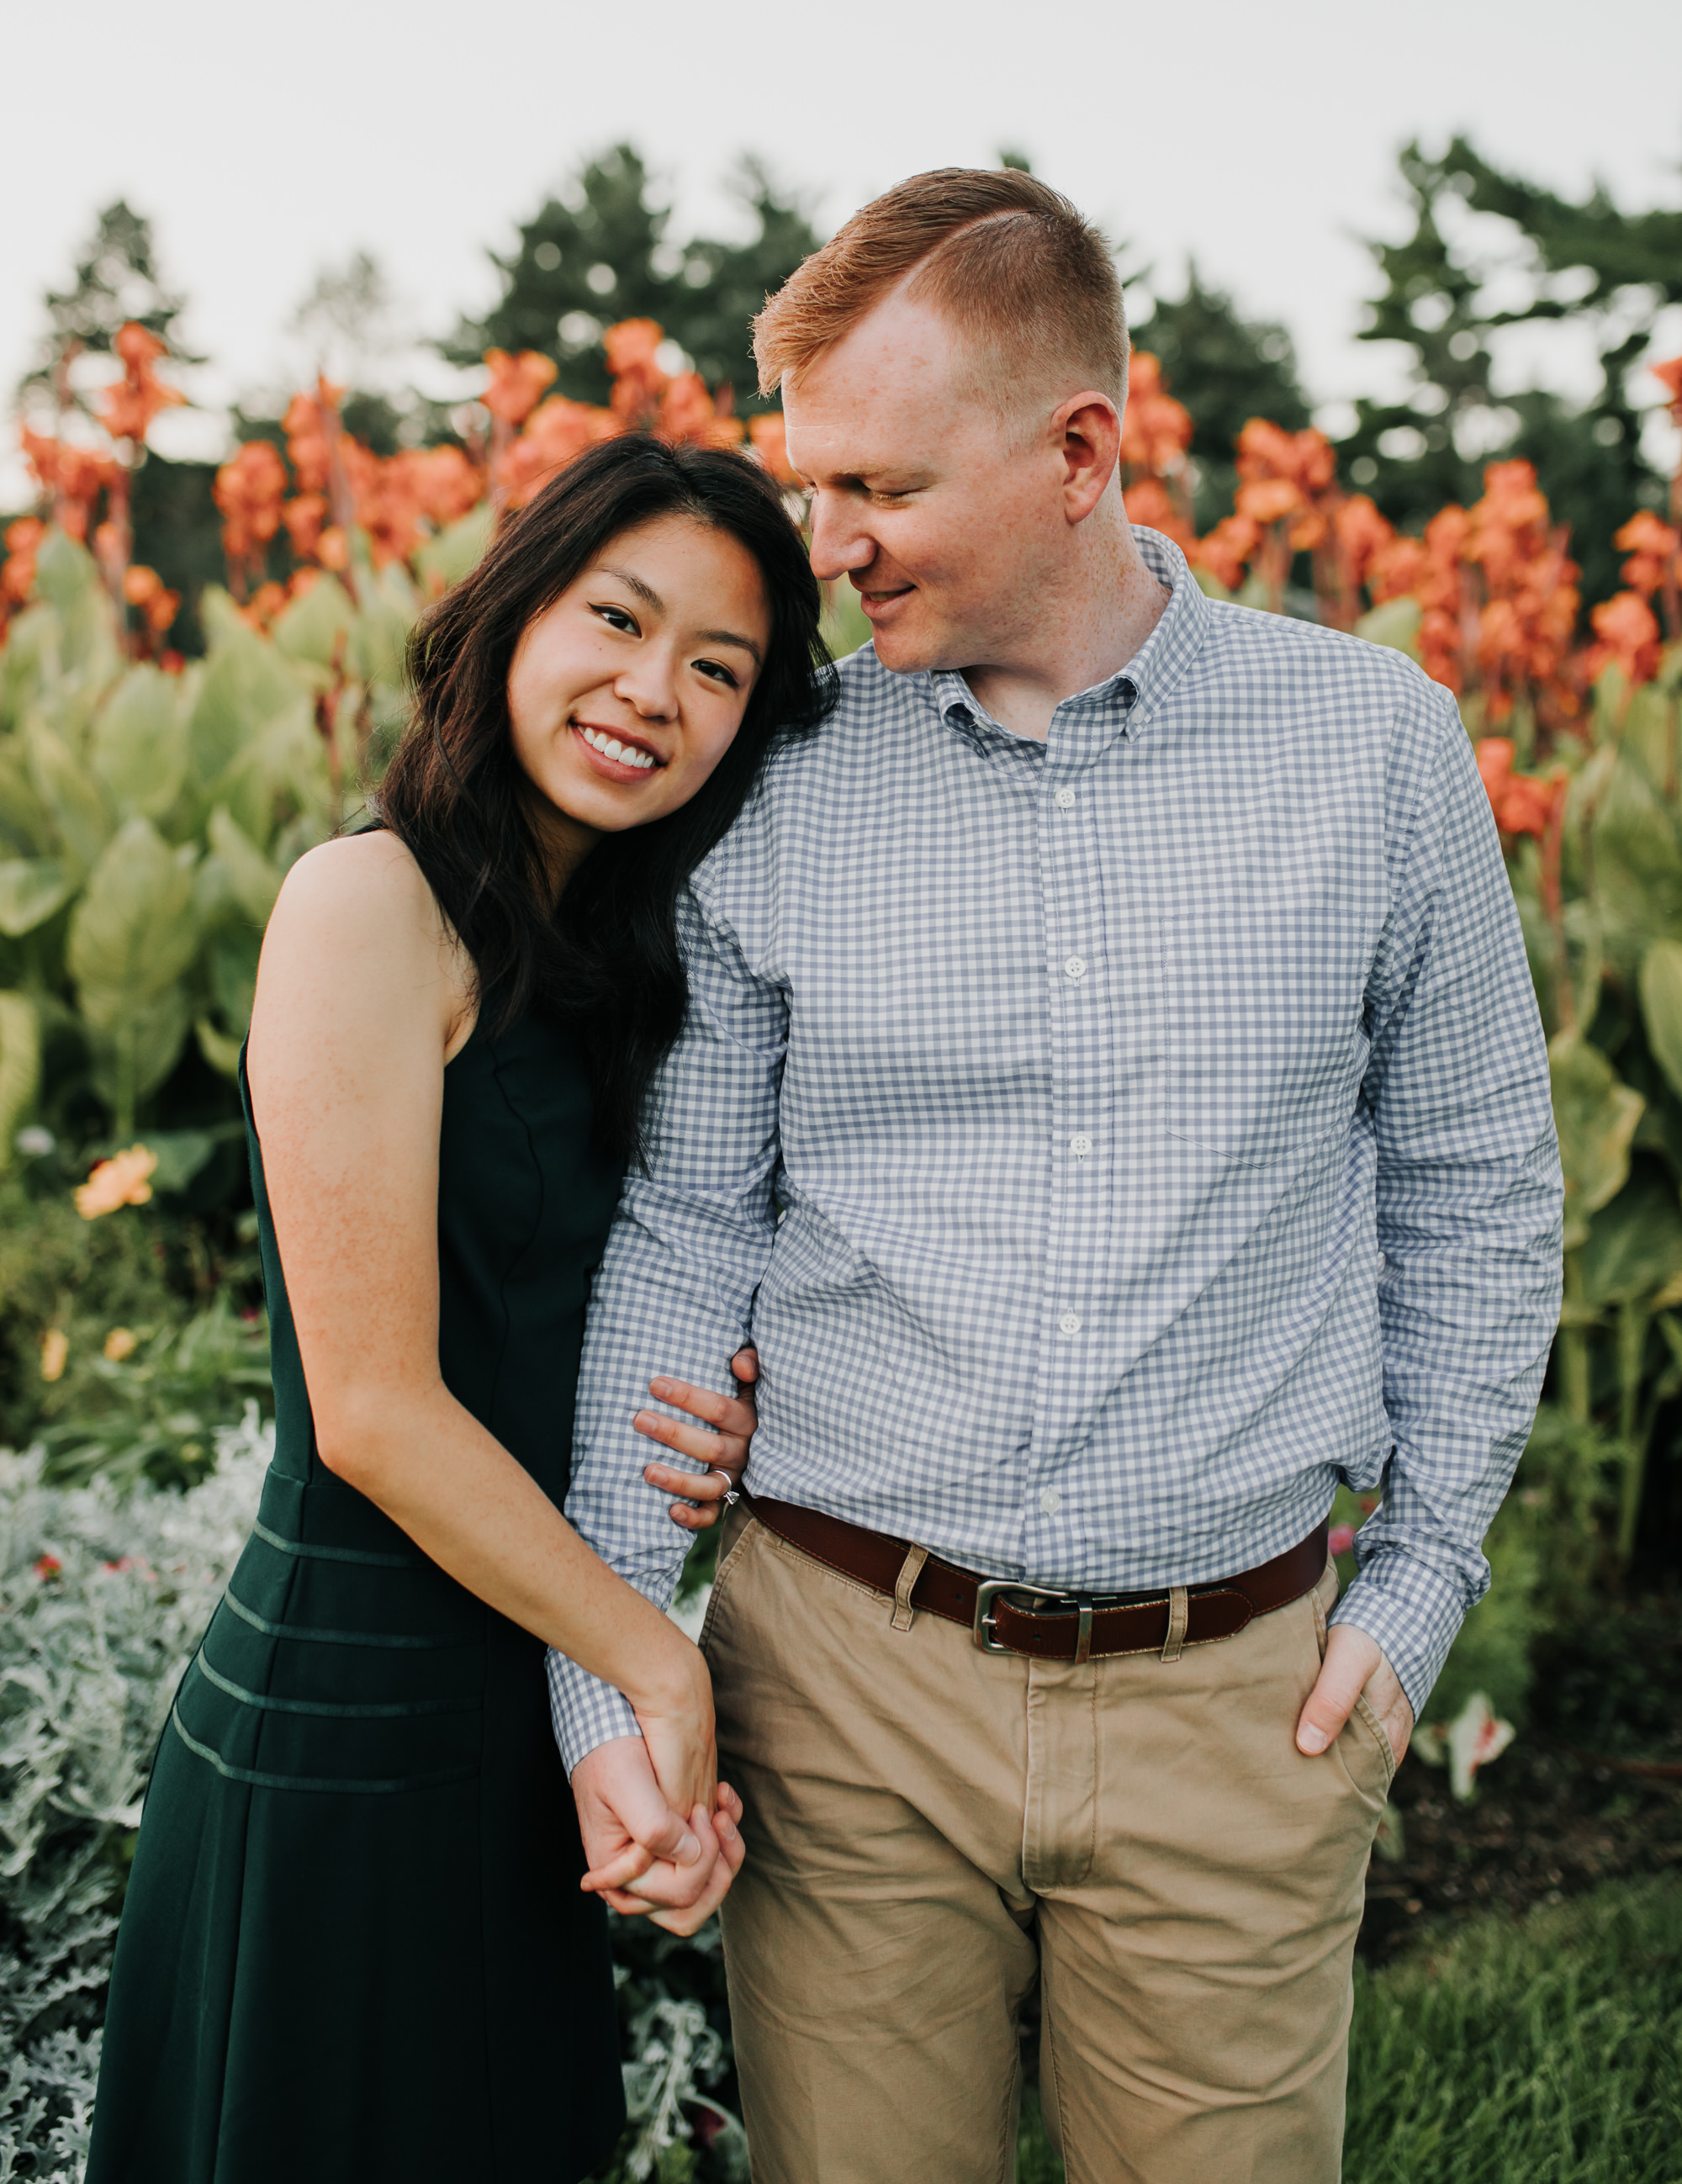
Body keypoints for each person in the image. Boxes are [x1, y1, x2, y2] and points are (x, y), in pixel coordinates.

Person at [551, 171, 1564, 2184]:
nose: (820, 547)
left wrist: (1427, 1571)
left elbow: (1476, 1180)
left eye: (877, 490)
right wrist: (610, 1668)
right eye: (808, 483)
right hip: (839, 1687)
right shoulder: (783, 778)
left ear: (1077, 452)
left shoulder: (1373, 749)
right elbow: (689, 1227)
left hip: (1236, 1708)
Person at [85, 432, 833, 2184]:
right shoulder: (368, 907)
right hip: (346, 1732)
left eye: (718, 671)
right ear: (512, 612)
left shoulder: (615, 967)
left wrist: (724, 1415)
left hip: (521, 1721)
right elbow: (376, 1409)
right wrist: (655, 1662)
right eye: (618, 620)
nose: (655, 691)